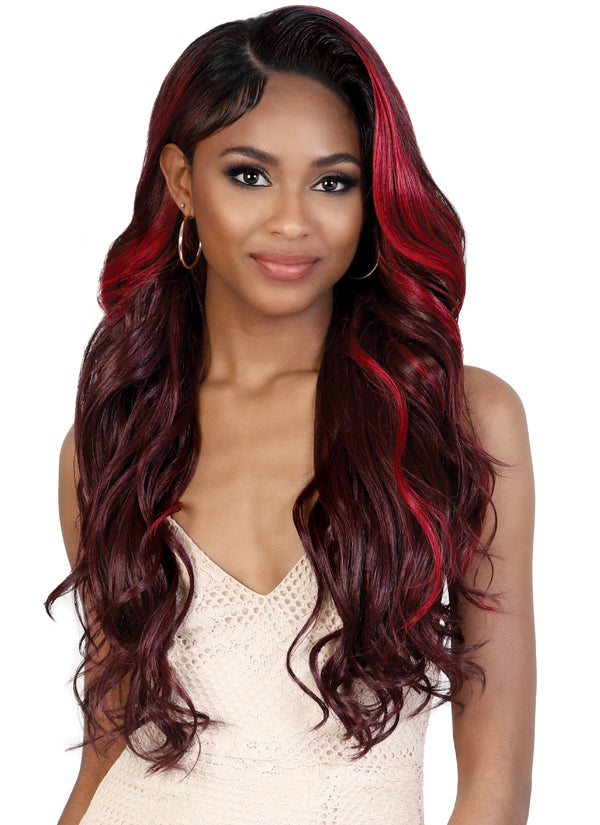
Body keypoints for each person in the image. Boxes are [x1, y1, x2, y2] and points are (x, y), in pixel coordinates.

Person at [47, 5, 535, 824]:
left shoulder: (459, 420)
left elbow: (496, 778)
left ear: (371, 199)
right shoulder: (114, 443)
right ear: (181, 182)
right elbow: (112, 743)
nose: (291, 220)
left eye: (332, 181)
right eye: (249, 175)